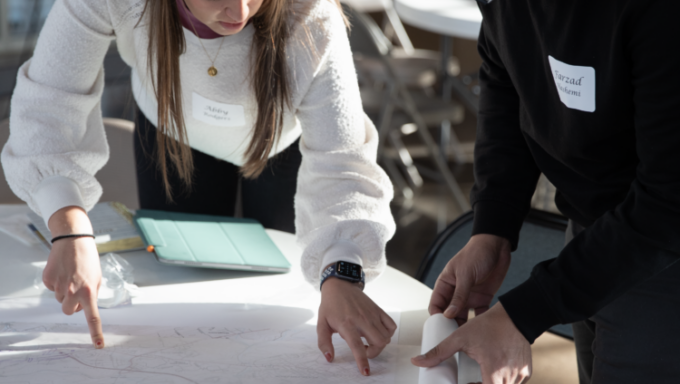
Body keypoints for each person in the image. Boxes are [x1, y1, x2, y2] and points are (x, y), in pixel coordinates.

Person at [1, 0, 397, 376]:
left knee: (281, 289)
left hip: (279, 142)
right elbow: (49, 103)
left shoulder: (311, 15)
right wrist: (69, 225)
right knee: (176, 294)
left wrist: (342, 271)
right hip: (170, 126)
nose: (239, 11)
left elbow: (341, 160)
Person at [410, 0, 680, 383]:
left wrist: (527, 312)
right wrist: (493, 228)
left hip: (662, 251)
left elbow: (669, 199)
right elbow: (506, 89)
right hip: (590, 231)